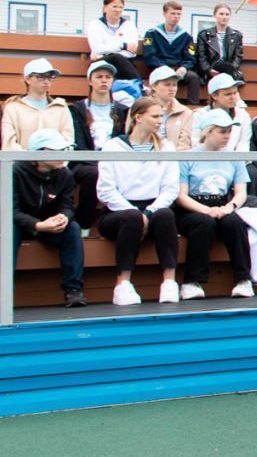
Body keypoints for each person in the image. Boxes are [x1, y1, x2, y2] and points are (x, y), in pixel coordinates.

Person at [96, 96, 182, 306]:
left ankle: (169, 282)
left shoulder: (166, 147)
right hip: (118, 213)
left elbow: (170, 188)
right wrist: (134, 212)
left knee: (166, 215)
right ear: (138, 117)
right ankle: (122, 284)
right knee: (132, 218)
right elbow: (105, 190)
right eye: (155, 116)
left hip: (153, 209)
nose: (160, 121)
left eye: (161, 116)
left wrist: (149, 212)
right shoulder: (113, 146)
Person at [175, 109, 254, 300]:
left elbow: (241, 192)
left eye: (229, 132)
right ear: (208, 131)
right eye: (222, 131)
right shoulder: (187, 157)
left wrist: (229, 207)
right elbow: (181, 196)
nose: (227, 136)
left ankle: (243, 279)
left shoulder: (233, 157)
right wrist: (206, 210)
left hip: (222, 204)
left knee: (235, 223)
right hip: (192, 206)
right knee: (204, 223)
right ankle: (192, 281)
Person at [13, 129, 86, 307]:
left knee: (72, 228)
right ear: (39, 153)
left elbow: (68, 205)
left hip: (49, 226)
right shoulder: (15, 171)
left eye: (64, 149)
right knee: (8, 230)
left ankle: (73, 290)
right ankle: (4, 289)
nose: (63, 154)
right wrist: (37, 225)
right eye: (57, 150)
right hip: (20, 224)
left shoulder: (65, 174)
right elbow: (10, 210)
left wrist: (64, 217)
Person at [68, 60, 128, 227]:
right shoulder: (77, 109)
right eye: (99, 77)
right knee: (93, 173)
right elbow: (78, 143)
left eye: (108, 77)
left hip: (114, 160)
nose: (104, 80)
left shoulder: (122, 110)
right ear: (90, 81)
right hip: (84, 162)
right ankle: (84, 224)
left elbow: (123, 140)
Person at [3, 58, 75, 151]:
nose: (46, 81)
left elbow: (68, 141)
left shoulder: (61, 108)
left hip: (55, 159)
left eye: (50, 77)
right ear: (27, 79)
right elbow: (9, 144)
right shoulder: (13, 108)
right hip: (22, 159)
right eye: (40, 77)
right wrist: (27, 158)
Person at [140, 0, 202, 105]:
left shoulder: (186, 36)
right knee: (165, 79)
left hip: (178, 68)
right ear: (165, 14)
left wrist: (184, 67)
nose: (176, 17)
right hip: (159, 67)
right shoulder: (152, 34)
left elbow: (190, 58)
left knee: (193, 77)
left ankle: (193, 106)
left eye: (178, 14)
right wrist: (163, 68)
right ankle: (159, 105)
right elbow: (149, 56)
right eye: (172, 13)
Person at [86, 0, 143, 81]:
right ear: (105, 8)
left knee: (118, 58)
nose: (118, 10)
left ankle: (137, 85)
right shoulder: (95, 25)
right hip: (102, 63)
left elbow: (132, 52)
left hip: (124, 63)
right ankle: (139, 85)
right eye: (114, 6)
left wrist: (107, 52)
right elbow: (97, 48)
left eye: (121, 7)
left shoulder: (129, 26)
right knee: (116, 58)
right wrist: (123, 46)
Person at [195, 2, 244, 84]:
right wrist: (209, 70)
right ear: (214, 15)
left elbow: (238, 57)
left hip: (229, 69)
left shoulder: (237, 35)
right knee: (224, 69)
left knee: (226, 68)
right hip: (211, 69)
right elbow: (201, 57)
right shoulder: (204, 35)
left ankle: (229, 84)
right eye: (221, 14)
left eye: (227, 14)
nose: (224, 17)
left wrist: (232, 68)